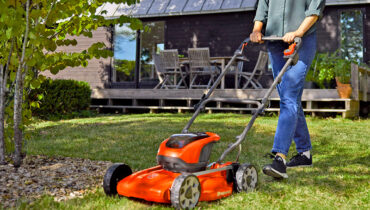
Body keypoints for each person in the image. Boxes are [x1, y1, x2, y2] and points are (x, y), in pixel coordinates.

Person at [250, 0, 326, 179]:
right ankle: (304, 153)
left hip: (302, 40)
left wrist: (298, 32)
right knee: (288, 96)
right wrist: (256, 29)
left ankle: (280, 158)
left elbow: (314, 9)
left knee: (289, 96)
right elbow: (263, 6)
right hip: (274, 42)